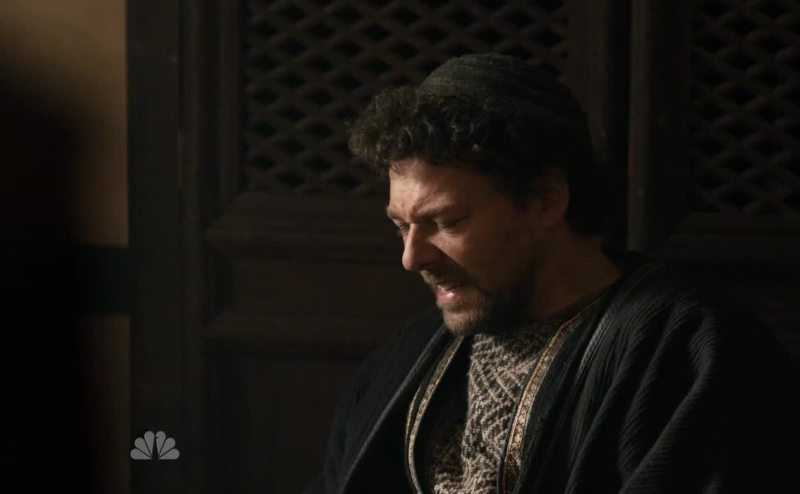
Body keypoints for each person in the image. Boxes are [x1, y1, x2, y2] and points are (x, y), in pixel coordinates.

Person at [306, 53, 799, 493]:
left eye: (447, 222)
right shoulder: (407, 356)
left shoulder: (687, 348)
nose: (412, 258)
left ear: (547, 199)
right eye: (401, 226)